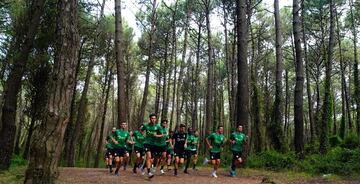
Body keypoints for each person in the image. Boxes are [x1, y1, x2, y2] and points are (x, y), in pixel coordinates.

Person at [141, 114, 164, 179]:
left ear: (156, 119)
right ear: (150, 119)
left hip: (154, 144)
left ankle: (143, 167)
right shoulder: (146, 125)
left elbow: (162, 135)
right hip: (146, 143)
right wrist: (143, 136)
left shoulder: (158, 127)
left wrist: (156, 135)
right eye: (152, 118)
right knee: (149, 156)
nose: (153, 120)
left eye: (154, 118)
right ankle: (149, 173)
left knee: (151, 160)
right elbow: (141, 130)